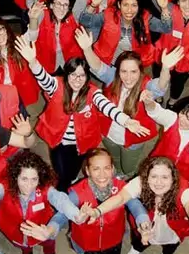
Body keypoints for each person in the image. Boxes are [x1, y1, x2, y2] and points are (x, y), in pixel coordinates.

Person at [14, 36, 148, 192]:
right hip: (59, 141)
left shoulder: (93, 92)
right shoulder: (57, 85)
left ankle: (69, 180)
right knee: (61, 172)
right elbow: (42, 77)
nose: (77, 79)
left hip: (82, 143)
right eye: (73, 74)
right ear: (66, 75)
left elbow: (107, 107)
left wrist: (126, 121)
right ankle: (63, 188)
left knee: (75, 167)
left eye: (82, 75)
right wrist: (33, 61)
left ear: (87, 77)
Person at [30, 148, 151, 254]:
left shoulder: (121, 188)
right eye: (96, 169)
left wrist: (143, 221)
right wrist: (50, 230)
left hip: (113, 241)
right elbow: (62, 214)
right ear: (87, 170)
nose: (102, 174)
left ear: (112, 169)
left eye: (107, 168)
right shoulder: (77, 192)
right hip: (86, 240)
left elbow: (135, 205)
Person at [85, 156, 189, 254]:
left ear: (173, 178)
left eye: (165, 177)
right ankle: (136, 250)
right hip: (147, 225)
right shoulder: (139, 182)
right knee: (140, 241)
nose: (159, 182)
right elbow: (120, 198)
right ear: (146, 176)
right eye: (154, 176)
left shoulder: (184, 189)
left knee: (170, 246)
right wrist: (97, 211)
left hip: (174, 227)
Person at [75, 26, 183, 177]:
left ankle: (124, 174)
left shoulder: (146, 85)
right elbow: (97, 66)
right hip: (108, 132)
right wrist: (87, 49)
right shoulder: (113, 78)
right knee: (114, 158)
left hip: (133, 139)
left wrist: (165, 68)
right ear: (118, 71)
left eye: (133, 72)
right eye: (123, 71)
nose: (128, 77)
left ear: (140, 72)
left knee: (128, 167)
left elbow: (160, 86)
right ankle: (117, 172)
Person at [25, 0, 90, 75]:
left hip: (70, 61)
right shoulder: (43, 14)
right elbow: (31, 5)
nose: (62, 8)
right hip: (47, 61)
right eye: (58, 4)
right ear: (51, 5)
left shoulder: (72, 16)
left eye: (65, 5)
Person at [79, 0, 173, 67]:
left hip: (134, 64)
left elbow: (166, 28)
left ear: (139, 7)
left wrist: (164, 8)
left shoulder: (145, 18)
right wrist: (93, 5)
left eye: (134, 5)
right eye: (125, 5)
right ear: (119, 5)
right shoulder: (109, 15)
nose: (129, 10)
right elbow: (85, 21)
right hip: (110, 62)